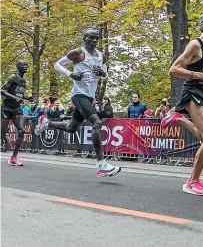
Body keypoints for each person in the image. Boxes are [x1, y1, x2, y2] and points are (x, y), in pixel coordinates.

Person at [35, 26, 121, 177]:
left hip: (89, 96)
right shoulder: (78, 53)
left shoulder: (101, 56)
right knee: (97, 123)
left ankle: (47, 123)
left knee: (71, 128)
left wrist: (103, 73)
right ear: (84, 38)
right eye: (90, 37)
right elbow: (57, 65)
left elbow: (105, 73)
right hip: (78, 94)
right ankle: (101, 164)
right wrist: (71, 75)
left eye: (96, 38)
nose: (93, 40)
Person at [162, 11, 203, 196]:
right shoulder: (195, 45)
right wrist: (199, 76)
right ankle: (192, 182)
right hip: (192, 93)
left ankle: (179, 119)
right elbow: (173, 70)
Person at [1, 60, 34, 165]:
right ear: (17, 66)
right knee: (1, 135)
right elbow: (2, 90)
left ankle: (13, 158)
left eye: (26, 65)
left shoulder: (24, 82)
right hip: (6, 107)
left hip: (16, 109)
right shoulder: (13, 77)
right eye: (22, 65)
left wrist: (27, 98)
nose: (25, 66)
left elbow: (18, 94)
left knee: (21, 131)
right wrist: (15, 98)